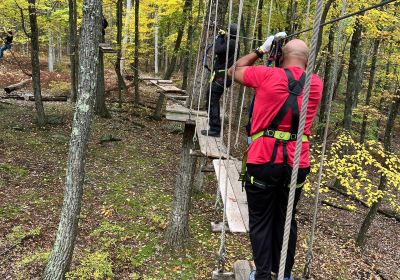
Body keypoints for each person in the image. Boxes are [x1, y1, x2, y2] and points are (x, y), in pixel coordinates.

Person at [228, 35, 323, 280]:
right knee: (286, 219)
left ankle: (262, 275)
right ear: (308, 60)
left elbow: (234, 70)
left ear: (281, 57)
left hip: (263, 160)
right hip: (297, 162)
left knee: (261, 220)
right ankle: (284, 274)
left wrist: (261, 50)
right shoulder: (316, 83)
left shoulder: (266, 75)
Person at [201, 24, 238, 137]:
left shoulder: (232, 43)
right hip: (220, 76)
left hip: (222, 77)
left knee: (213, 100)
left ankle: (215, 129)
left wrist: (220, 37)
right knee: (210, 98)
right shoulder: (231, 42)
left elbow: (217, 50)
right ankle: (213, 124)